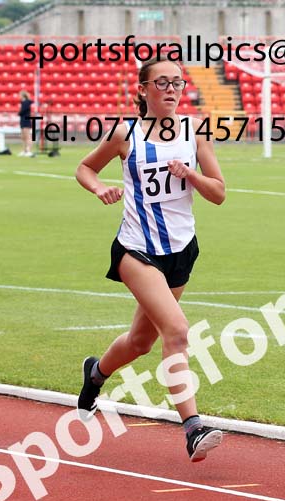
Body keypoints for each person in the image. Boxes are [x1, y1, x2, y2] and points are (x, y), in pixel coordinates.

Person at [75, 58, 226, 462]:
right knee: (176, 330)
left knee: (141, 341)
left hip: (180, 250)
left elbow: (218, 192)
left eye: (178, 82)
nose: (172, 89)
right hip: (135, 249)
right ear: (143, 90)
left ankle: (95, 373)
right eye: (162, 82)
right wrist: (99, 189)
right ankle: (193, 427)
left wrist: (190, 174)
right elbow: (85, 168)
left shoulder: (196, 133)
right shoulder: (125, 133)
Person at [18, 90, 34, 156]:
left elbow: (22, 112)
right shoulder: (23, 103)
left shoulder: (27, 102)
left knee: (27, 136)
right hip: (22, 120)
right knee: (23, 136)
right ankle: (24, 150)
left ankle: (29, 150)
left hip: (26, 120)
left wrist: (19, 113)